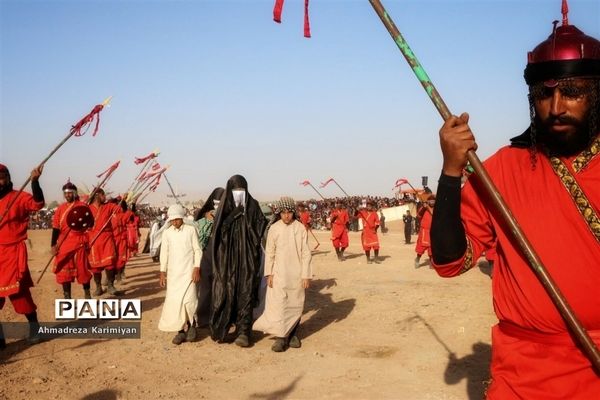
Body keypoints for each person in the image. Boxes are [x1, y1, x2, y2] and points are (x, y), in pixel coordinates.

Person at [430, 3, 600, 398]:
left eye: (572, 92)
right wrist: (451, 171)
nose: (556, 108)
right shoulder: (501, 171)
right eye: (544, 94)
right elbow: (449, 262)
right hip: (524, 374)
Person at [209, 175, 267, 347]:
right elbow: (219, 232)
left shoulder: (253, 206)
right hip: (227, 261)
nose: (239, 193)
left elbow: (260, 228)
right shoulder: (224, 208)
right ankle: (224, 327)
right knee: (226, 292)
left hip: (248, 260)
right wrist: (233, 215)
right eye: (236, 190)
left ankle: (244, 332)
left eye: (241, 190)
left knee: (246, 292)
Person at [253, 197, 312, 352]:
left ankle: (292, 334)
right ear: (279, 213)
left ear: (293, 213)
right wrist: (269, 273)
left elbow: (306, 253)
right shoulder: (274, 229)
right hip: (278, 274)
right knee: (279, 305)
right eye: (283, 213)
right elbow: (270, 253)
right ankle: (280, 338)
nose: (287, 216)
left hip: (296, 274)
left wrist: (306, 275)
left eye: (289, 212)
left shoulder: (300, 228)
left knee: (295, 304)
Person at [0, 164, 45, 346]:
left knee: (19, 294)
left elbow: (38, 204)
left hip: (12, 252)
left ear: (8, 178)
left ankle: (35, 328)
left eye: (2, 177)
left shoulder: (18, 197)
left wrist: (34, 182)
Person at [158, 204, 201, 345]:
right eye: (172, 220)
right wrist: (162, 272)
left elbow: (197, 250)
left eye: (177, 219)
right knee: (176, 303)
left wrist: (196, 268)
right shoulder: (167, 233)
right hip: (174, 275)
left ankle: (192, 326)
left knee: (189, 300)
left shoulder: (191, 230)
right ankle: (181, 331)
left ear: (182, 218)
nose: (174, 222)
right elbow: (164, 253)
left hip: (189, 274)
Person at [50, 181, 92, 299]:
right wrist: (53, 244)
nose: (67, 195)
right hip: (64, 242)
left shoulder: (82, 206)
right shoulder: (60, 208)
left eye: (70, 193)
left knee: (82, 268)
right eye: (65, 193)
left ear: (74, 193)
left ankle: (87, 296)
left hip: (79, 240)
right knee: (64, 269)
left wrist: (83, 215)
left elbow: (90, 223)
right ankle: (67, 298)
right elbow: (56, 227)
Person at [193, 186, 224, 327]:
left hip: (222, 255)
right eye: (215, 203)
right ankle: (204, 318)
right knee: (205, 287)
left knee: (222, 287)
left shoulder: (227, 214)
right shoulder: (204, 215)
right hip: (206, 254)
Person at [88, 188, 120, 295]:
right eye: (103, 195)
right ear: (97, 196)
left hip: (107, 238)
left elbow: (119, 208)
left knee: (110, 263)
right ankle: (98, 287)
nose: (105, 197)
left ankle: (111, 285)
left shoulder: (108, 206)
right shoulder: (87, 208)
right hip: (93, 239)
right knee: (95, 267)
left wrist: (123, 199)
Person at [414, 196, 434, 268]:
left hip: (433, 231)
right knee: (421, 246)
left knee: (432, 247)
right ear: (428, 201)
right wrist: (423, 207)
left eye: (433, 201)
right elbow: (419, 215)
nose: (432, 202)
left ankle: (431, 262)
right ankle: (417, 259)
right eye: (430, 201)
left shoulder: (437, 208)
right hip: (424, 230)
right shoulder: (423, 208)